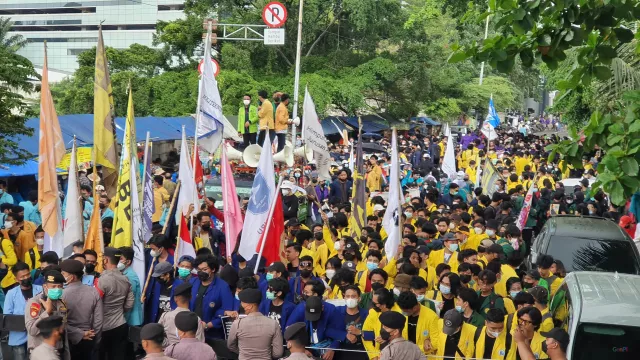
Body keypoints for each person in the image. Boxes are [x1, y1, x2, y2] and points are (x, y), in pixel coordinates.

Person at [60, 259, 103, 359]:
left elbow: (61, 321)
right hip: (89, 337)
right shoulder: (93, 292)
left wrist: (78, 334)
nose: (61, 276)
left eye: (63, 273)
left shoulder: (62, 294)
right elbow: (98, 321)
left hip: (68, 339)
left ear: (72, 277)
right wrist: (95, 339)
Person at [97, 247, 135, 360]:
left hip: (103, 326)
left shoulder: (102, 280)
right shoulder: (125, 279)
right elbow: (129, 304)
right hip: (120, 323)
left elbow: (96, 303)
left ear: (106, 260)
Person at [24, 270, 70, 359]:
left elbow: (63, 327)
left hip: (57, 350)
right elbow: (32, 330)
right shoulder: (35, 303)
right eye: (53, 286)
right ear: (45, 286)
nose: (57, 289)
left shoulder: (61, 303)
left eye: (60, 286)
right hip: (40, 353)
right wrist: (47, 312)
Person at [227, 288, 284, 360]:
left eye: (242, 302)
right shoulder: (273, 324)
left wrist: (243, 352)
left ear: (250, 306)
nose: (241, 304)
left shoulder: (237, 324)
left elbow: (230, 346)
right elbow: (278, 353)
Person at [4, 261, 42, 360]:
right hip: (18, 335)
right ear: (16, 279)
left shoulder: (40, 290)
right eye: (22, 277)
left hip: (38, 334)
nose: (26, 278)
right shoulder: (11, 294)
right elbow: (7, 316)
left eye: (27, 274)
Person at [189, 254, 233, 339]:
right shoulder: (193, 282)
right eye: (199, 270)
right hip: (192, 332)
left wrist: (208, 325)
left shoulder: (223, 287)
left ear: (213, 269)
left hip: (213, 334)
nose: (201, 272)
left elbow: (227, 312)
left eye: (204, 269)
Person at [396, 291, 440, 356]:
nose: (403, 313)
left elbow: (436, 342)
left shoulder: (432, 317)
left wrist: (413, 349)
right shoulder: (401, 313)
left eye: (406, 311)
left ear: (414, 308)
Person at [335, 285, 369, 360]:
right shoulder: (337, 311)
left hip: (361, 353)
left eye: (353, 296)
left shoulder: (367, 314)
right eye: (347, 296)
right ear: (344, 298)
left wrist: (360, 332)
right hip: (341, 352)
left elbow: (374, 334)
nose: (350, 299)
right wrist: (344, 335)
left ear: (359, 299)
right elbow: (329, 330)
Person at [118, 247, 143, 327]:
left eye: (120, 259)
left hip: (132, 320)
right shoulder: (123, 274)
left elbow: (129, 300)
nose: (117, 261)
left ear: (128, 262)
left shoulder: (130, 276)